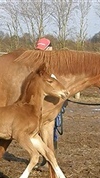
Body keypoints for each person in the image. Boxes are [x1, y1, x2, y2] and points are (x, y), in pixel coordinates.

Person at [35, 38, 68, 168]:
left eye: (43, 50)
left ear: (50, 48)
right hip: (44, 101)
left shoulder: (57, 64)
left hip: (56, 100)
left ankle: (50, 157)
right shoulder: (39, 64)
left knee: (52, 129)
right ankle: (46, 157)